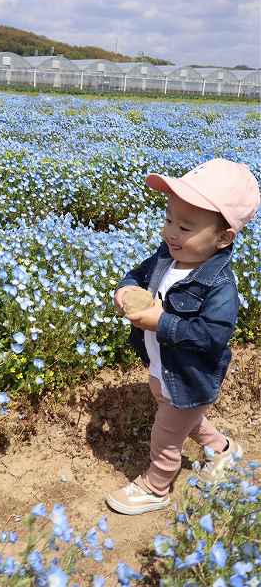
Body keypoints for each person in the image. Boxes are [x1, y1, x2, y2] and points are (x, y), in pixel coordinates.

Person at [106, 158, 260, 515]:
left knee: (166, 435)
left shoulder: (220, 286)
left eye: (186, 227)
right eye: (169, 219)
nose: (171, 232)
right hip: (166, 367)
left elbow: (210, 337)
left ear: (223, 238)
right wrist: (127, 288)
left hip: (192, 376)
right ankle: (223, 451)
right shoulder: (167, 256)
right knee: (185, 419)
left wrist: (163, 322)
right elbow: (138, 273)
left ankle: (155, 487)